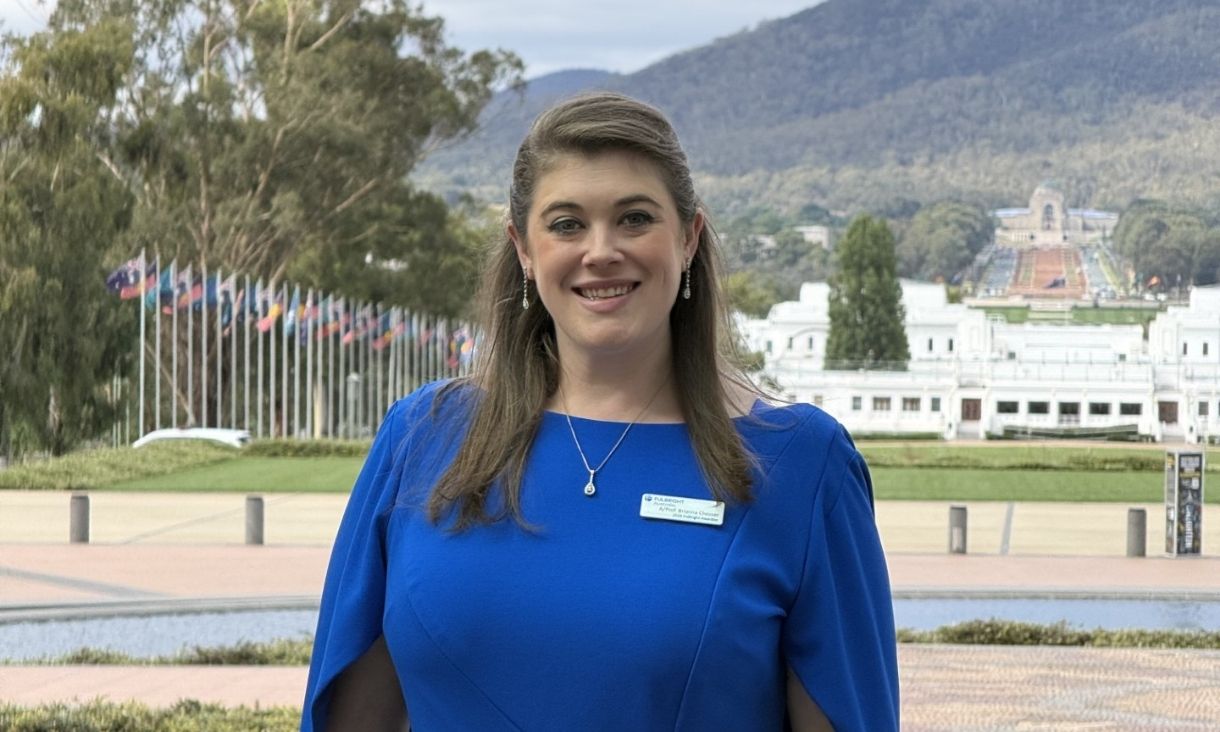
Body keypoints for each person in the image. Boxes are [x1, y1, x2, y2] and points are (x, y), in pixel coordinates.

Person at [301, 92, 898, 731]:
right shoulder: (419, 441)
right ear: (523, 249)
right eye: (566, 224)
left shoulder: (800, 466)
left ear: (690, 237)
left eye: (635, 218)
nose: (601, 250)